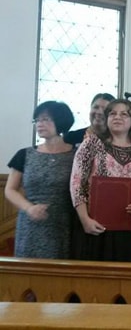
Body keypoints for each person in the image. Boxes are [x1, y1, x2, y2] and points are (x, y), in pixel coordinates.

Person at [70, 99, 131, 262]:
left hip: (128, 225)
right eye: (112, 113)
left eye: (124, 114)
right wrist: (85, 219)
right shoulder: (91, 143)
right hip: (93, 222)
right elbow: (77, 182)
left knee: (125, 279)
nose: (117, 117)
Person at [5, 101, 75, 259]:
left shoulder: (76, 155)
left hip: (64, 224)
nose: (40, 124)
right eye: (37, 120)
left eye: (46, 119)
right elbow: (10, 189)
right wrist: (28, 208)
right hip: (30, 224)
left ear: (61, 121)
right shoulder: (24, 154)